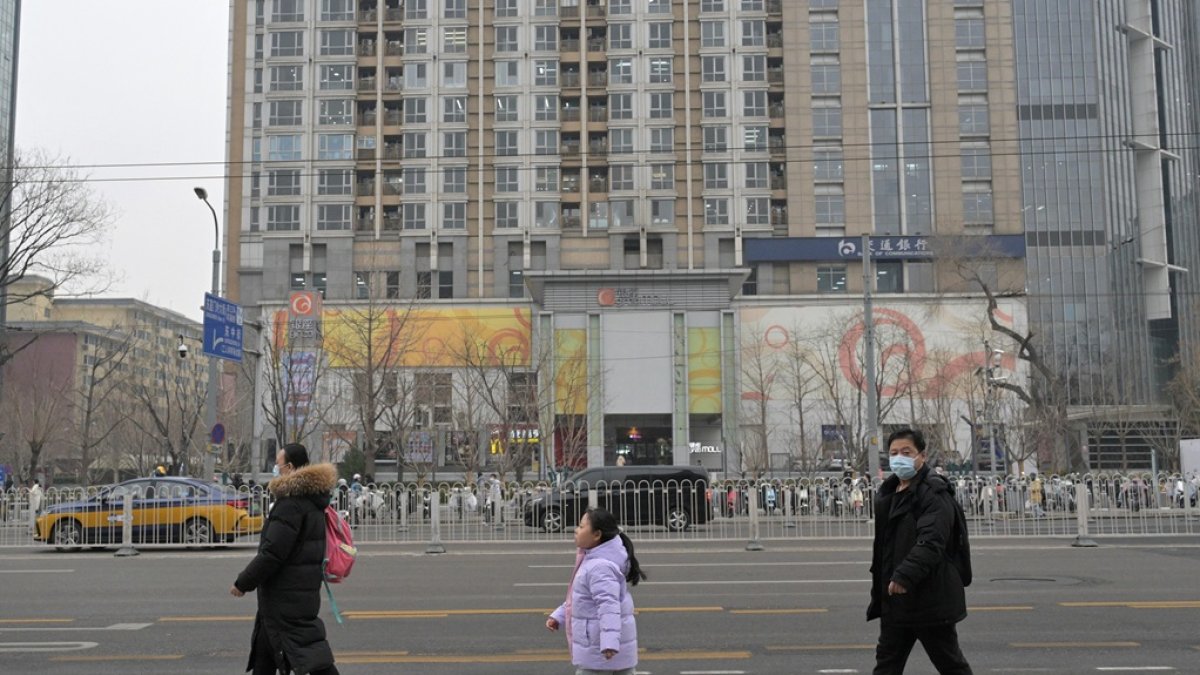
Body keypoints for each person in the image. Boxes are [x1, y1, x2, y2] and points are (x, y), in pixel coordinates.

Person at [868, 428, 972, 675]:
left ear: (921, 456)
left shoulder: (933, 493)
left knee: (950, 664)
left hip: (929, 598)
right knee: (886, 664)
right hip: (896, 600)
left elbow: (932, 541)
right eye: (894, 453)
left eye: (906, 452)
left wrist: (904, 575)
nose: (899, 457)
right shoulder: (889, 494)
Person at [230, 443, 340, 675]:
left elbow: (273, 553)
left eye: (278, 464)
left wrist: (243, 582)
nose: (276, 468)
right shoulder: (312, 499)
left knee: (309, 655)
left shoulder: (290, 504)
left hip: (286, 596)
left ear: (289, 467)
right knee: (267, 652)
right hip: (298, 591)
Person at [546, 507, 645, 675]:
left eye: (581, 526)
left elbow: (609, 606)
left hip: (600, 653)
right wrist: (560, 615)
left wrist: (609, 643)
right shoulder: (594, 560)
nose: (576, 530)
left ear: (597, 535)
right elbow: (583, 598)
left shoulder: (600, 567)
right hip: (606, 652)